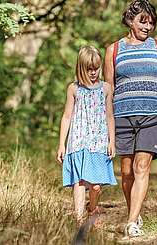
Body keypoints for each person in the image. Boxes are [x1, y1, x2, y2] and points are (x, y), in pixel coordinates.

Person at [104, 0, 157, 238]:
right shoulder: (114, 50)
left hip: (152, 115)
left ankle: (131, 223)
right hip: (121, 116)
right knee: (127, 171)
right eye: (143, 21)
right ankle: (135, 211)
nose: (148, 26)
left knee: (142, 166)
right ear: (130, 20)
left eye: (151, 22)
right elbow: (109, 87)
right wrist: (103, 117)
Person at [56, 46, 117, 227]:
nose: (93, 72)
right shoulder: (74, 89)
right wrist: (62, 144)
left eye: (96, 68)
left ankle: (93, 208)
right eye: (89, 69)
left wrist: (111, 141)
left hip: (98, 142)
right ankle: (79, 219)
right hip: (78, 141)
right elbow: (67, 116)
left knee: (96, 186)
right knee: (80, 182)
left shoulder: (105, 88)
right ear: (80, 68)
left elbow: (109, 116)